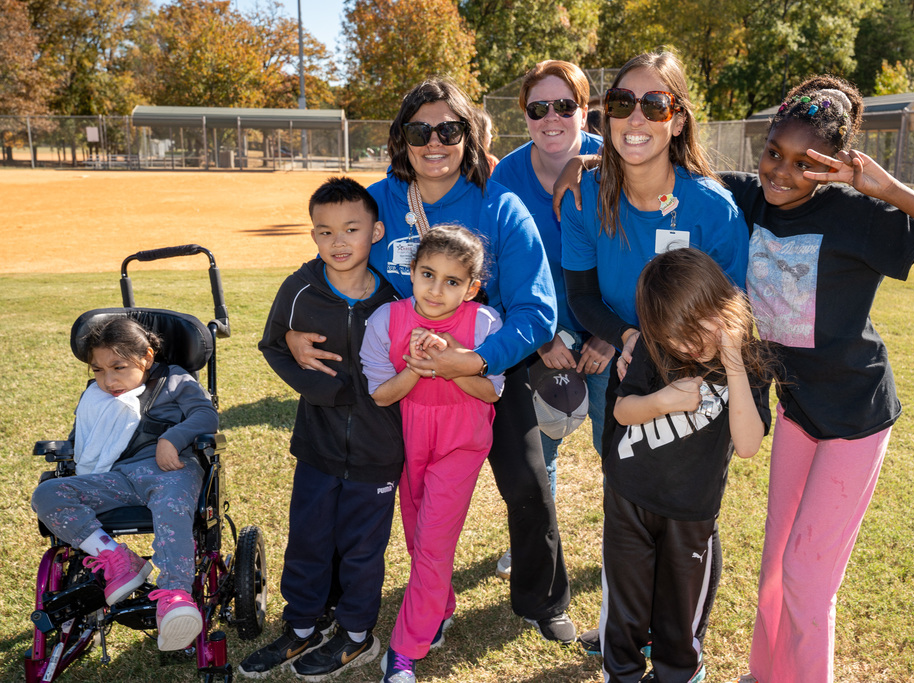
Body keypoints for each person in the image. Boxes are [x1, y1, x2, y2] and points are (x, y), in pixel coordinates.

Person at [284, 79, 576, 645]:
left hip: (482, 367)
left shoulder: (499, 203)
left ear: (470, 136)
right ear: (402, 138)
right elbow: (331, 257)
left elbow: (536, 312)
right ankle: (359, 598)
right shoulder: (380, 200)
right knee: (371, 487)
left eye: (449, 129)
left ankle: (543, 598)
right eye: (421, 130)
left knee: (527, 482)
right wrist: (293, 331)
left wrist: (474, 361)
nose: (434, 141)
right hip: (398, 377)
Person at [721, 76, 914, 683]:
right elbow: (665, 175)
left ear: (838, 164)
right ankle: (764, 674)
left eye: (805, 163)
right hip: (797, 413)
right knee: (774, 565)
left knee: (807, 575)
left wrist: (890, 189)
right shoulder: (745, 198)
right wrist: (590, 156)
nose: (782, 173)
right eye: (774, 154)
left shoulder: (859, 217)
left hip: (855, 418)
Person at [558, 50, 749, 653]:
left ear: (678, 118)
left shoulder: (712, 208)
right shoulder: (585, 194)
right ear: (605, 116)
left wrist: (679, 353)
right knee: (627, 504)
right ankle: (625, 628)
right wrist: (628, 337)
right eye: (620, 103)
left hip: (699, 380)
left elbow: (734, 312)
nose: (634, 117)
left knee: (687, 517)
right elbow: (582, 294)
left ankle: (675, 640)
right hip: (624, 369)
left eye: (654, 103)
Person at [242, 177, 404, 679]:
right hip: (316, 446)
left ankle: (357, 635)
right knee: (308, 541)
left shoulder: (395, 298)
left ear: (375, 232)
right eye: (324, 231)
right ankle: (302, 626)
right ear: (313, 235)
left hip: (379, 451)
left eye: (351, 229)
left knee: (362, 549)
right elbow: (273, 345)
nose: (338, 242)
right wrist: (320, 389)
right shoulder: (301, 289)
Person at [603, 248, 772, 683]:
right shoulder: (656, 341)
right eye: (675, 338)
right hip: (629, 497)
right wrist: (661, 401)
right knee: (625, 606)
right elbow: (623, 411)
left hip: (691, 509)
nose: (686, 347)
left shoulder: (748, 357)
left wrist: (733, 359)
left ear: (721, 306)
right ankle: (620, 672)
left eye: (696, 331)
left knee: (680, 616)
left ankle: (678, 673)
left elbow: (750, 443)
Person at [360, 224, 504, 682]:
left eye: (453, 281)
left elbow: (490, 391)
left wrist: (451, 362)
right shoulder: (386, 319)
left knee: (434, 543)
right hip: (410, 441)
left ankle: (405, 652)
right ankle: (440, 606)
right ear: (412, 272)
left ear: (472, 287)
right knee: (418, 532)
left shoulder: (484, 323)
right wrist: (418, 370)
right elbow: (382, 395)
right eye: (427, 274)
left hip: (462, 441)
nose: (436, 290)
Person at [490, 59, 612, 579]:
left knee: (619, 446)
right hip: (537, 331)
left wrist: (608, 334)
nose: (552, 117)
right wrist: (538, 340)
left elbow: (637, 259)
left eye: (565, 105)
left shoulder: (617, 162)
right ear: (526, 115)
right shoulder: (508, 175)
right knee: (541, 448)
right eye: (539, 107)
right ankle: (538, 546)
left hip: (610, 328)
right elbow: (492, 265)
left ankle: (623, 548)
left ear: (585, 111)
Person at [31, 316, 218, 652]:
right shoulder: (95, 397)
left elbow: (205, 415)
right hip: (115, 478)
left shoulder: (175, 381)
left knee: (171, 506)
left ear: (146, 356)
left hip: (169, 470)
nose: (109, 380)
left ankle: (175, 594)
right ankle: (118, 558)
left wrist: (172, 438)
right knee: (47, 493)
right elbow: (85, 440)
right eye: (98, 370)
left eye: (118, 367)